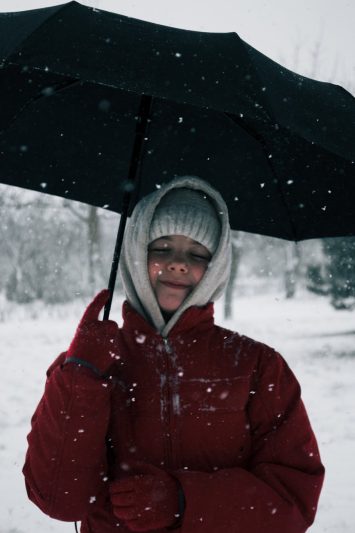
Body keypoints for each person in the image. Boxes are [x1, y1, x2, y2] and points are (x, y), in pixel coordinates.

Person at [23, 176, 325, 533]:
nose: (178, 264)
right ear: (136, 255)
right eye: (162, 248)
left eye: (197, 254)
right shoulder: (92, 365)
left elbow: (293, 500)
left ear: (215, 268)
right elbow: (59, 500)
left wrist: (184, 501)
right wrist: (80, 374)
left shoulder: (258, 366)